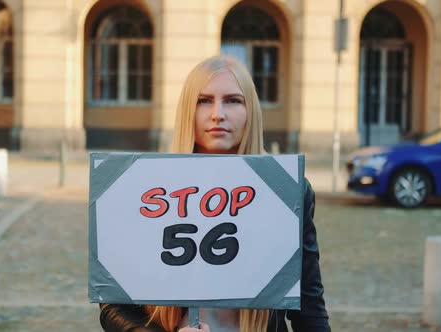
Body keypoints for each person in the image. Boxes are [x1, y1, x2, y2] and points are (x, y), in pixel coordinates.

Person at [99, 55, 330, 332]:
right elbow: (113, 304)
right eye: (204, 100)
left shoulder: (286, 189)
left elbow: (309, 306)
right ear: (188, 110)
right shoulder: (147, 185)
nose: (217, 114)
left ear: (250, 111)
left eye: (233, 100)